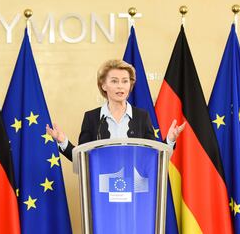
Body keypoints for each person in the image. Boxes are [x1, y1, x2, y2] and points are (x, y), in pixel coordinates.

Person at [46, 59, 185, 161]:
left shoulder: (142, 117)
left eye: (125, 81)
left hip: (136, 188)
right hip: (101, 187)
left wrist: (170, 140)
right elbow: (81, 158)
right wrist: (63, 141)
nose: (120, 86)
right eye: (114, 81)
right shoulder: (92, 118)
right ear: (103, 85)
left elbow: (154, 155)